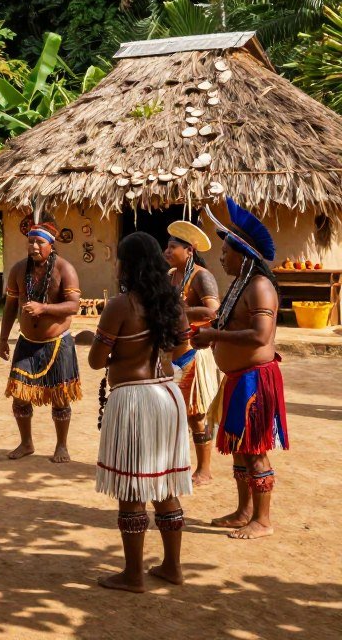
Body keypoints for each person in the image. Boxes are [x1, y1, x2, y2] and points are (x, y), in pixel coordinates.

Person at [89, 231, 193, 593]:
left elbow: (96, 360)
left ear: (127, 264)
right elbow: (183, 349)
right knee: (165, 484)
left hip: (133, 401)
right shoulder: (173, 304)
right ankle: (172, 567)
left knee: (133, 488)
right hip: (167, 396)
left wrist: (111, 346)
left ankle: (133, 574)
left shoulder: (121, 305)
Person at [195, 198, 288, 540]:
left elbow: (260, 335)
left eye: (226, 252)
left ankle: (262, 520)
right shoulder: (241, 284)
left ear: (243, 255)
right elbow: (226, 322)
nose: (220, 257)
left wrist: (214, 334)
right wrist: (206, 334)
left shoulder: (260, 287)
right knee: (240, 449)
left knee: (255, 451)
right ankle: (244, 510)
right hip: (237, 379)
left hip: (254, 380)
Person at [0, 220, 82, 462]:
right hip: (26, 342)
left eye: (39, 242)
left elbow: (74, 306)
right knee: (20, 395)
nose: (34, 246)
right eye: (31, 241)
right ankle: (26, 443)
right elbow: (10, 307)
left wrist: (43, 308)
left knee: (60, 396)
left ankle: (62, 446)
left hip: (58, 343)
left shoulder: (65, 269)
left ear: (51, 245)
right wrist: (4, 339)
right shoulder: (17, 270)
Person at [164, 221, 221, 486]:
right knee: (173, 413)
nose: (167, 251)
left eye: (173, 247)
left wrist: (178, 312)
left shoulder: (201, 276)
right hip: (171, 354)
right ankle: (177, 464)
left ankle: (205, 470)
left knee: (197, 415)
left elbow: (212, 312)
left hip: (193, 354)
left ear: (189, 251)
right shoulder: (170, 276)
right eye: (167, 246)